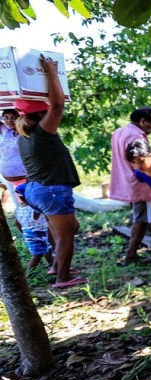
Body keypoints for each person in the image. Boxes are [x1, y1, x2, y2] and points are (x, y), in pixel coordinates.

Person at [15, 55, 85, 288]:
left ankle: (57, 265)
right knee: (66, 235)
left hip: (38, 190)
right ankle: (62, 277)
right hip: (51, 190)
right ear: (41, 115)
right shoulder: (42, 132)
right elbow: (58, 105)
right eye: (46, 112)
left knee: (66, 228)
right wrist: (51, 72)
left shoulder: (25, 136)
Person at [110, 107, 151, 266]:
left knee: (148, 212)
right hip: (138, 182)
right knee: (141, 218)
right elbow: (142, 162)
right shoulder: (136, 135)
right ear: (143, 121)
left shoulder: (120, 131)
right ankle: (131, 254)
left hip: (126, 179)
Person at [14, 183, 53, 273]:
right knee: (38, 254)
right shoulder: (35, 208)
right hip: (40, 233)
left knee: (46, 250)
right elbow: (48, 218)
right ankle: (29, 273)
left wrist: (24, 232)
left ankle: (53, 266)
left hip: (28, 234)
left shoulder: (19, 209)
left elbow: (16, 223)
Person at [0, 108, 26, 210]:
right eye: (6, 118)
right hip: (9, 181)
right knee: (22, 209)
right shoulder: (6, 131)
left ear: (19, 118)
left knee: (33, 207)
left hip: (26, 179)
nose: (9, 120)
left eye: (13, 118)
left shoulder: (25, 133)